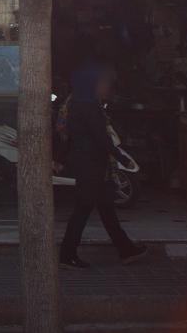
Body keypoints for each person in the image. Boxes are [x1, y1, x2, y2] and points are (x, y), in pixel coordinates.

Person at [59, 63, 147, 269]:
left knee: (106, 208)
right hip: (90, 165)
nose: (107, 87)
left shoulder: (80, 103)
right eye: (103, 83)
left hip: (91, 164)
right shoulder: (87, 106)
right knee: (83, 209)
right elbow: (100, 138)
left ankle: (126, 249)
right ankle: (67, 255)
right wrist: (122, 158)